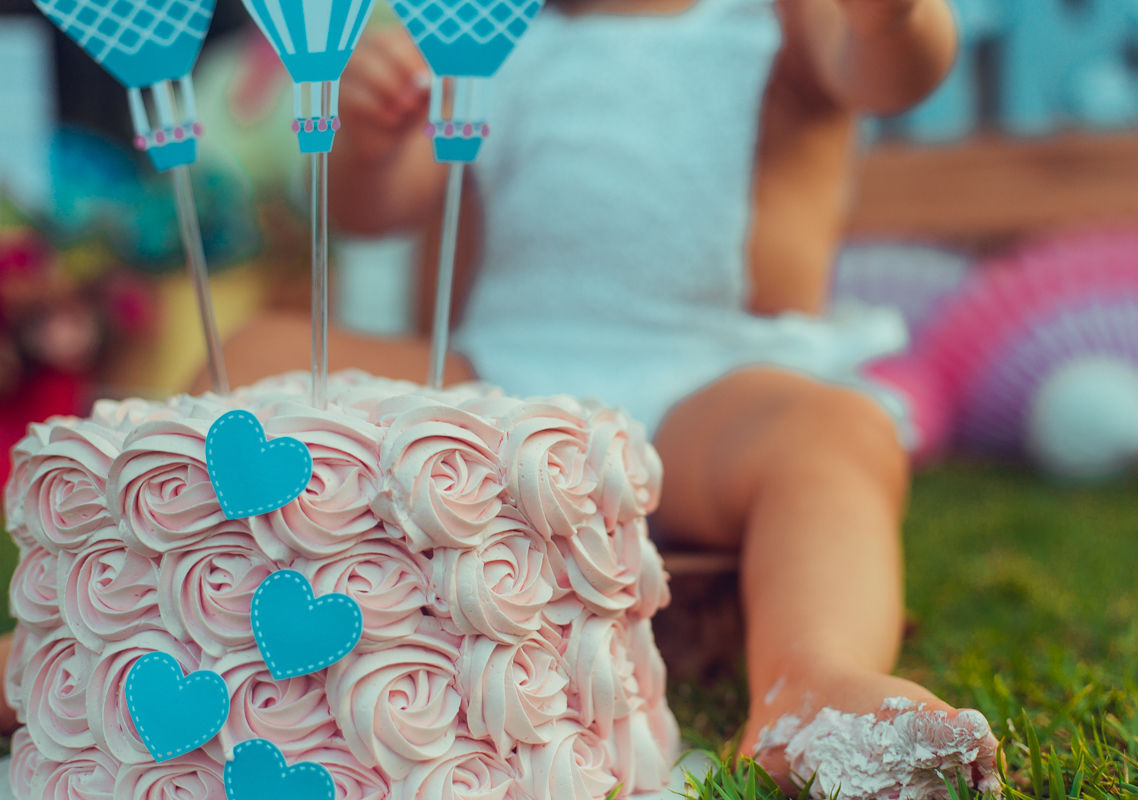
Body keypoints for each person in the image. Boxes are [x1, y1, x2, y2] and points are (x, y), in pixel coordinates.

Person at [204, 0, 1001, 793]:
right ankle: (200, 599)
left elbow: (891, 73)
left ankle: (811, 680)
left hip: (705, 387)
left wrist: (890, 19)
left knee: (832, 432)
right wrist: (373, 139)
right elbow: (374, 211)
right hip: (492, 396)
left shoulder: (785, 16)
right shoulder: (478, 29)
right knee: (255, 354)